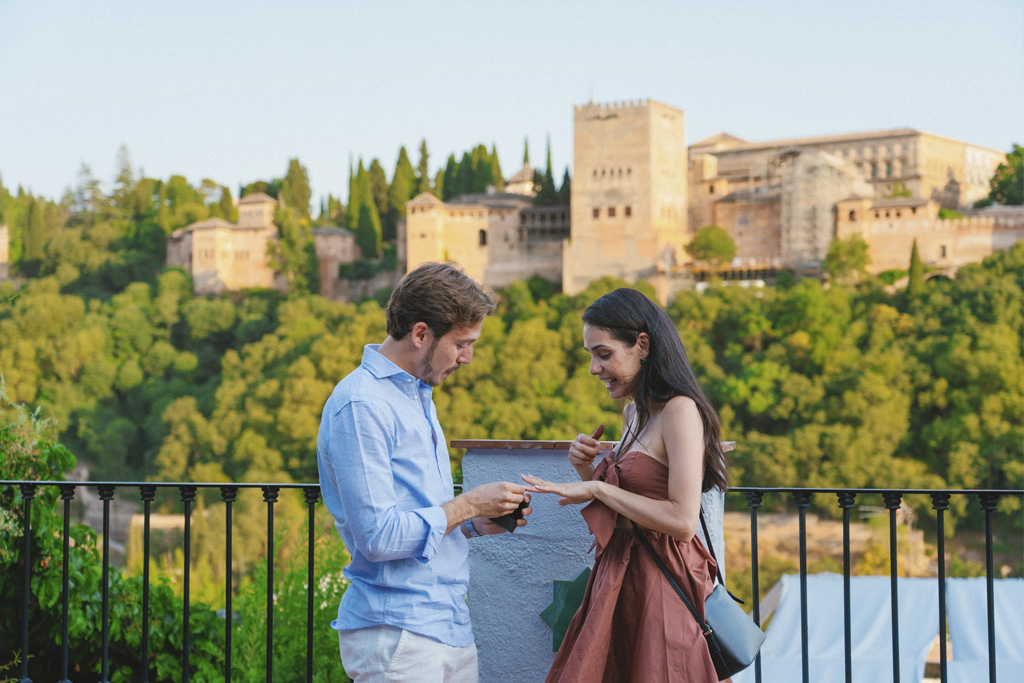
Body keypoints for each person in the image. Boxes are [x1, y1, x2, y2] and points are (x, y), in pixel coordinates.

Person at [317, 261, 531, 683]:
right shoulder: (362, 404)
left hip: (445, 626)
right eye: (461, 344)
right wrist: (468, 503)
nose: (467, 359)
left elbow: (420, 518)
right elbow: (378, 537)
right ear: (420, 334)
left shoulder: (419, 394)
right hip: (398, 634)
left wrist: (474, 522)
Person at [523, 288, 730, 683]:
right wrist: (585, 470)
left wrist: (598, 488)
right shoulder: (633, 413)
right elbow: (622, 513)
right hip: (618, 575)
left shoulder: (680, 411)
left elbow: (683, 521)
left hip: (662, 579)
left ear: (642, 345)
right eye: (590, 355)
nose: (593, 368)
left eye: (603, 354)